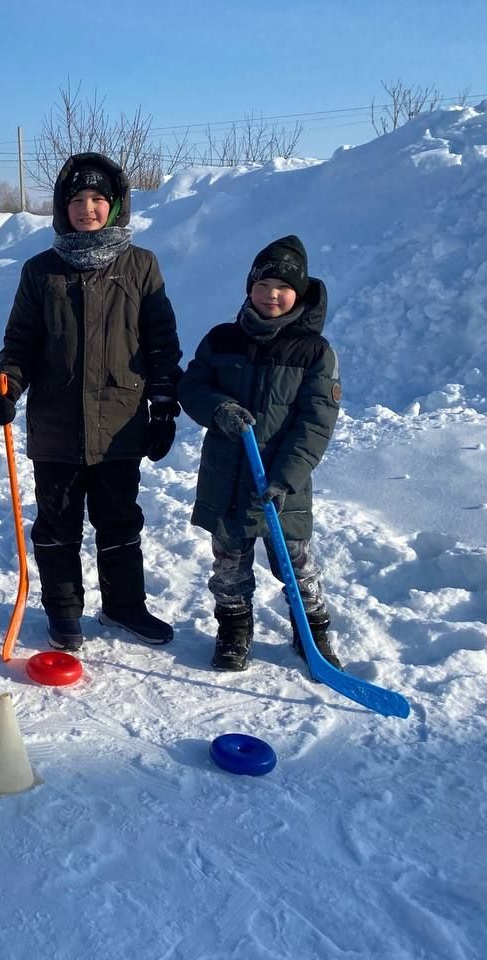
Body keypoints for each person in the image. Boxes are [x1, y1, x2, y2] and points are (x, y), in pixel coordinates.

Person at [0, 152, 182, 653]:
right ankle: (63, 612)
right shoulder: (40, 271)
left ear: (116, 206)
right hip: (55, 426)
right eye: (77, 200)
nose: (88, 208)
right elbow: (20, 343)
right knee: (58, 524)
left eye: (98, 199)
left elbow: (161, 342)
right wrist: (7, 382)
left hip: (119, 422)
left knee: (119, 518)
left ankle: (124, 606)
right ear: (62, 207)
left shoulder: (140, 266)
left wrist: (163, 405)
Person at [178, 235, 343, 674]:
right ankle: (233, 630)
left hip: (281, 484)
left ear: (300, 293)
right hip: (228, 477)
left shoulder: (314, 352)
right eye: (264, 283)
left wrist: (286, 477)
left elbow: (316, 421)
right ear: (249, 287)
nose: (273, 294)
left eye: (284, 287)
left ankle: (313, 632)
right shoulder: (222, 339)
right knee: (229, 565)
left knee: (296, 565)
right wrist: (219, 409)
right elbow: (192, 387)